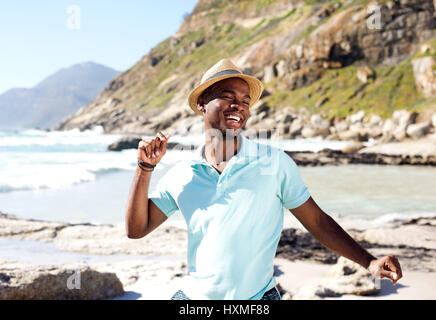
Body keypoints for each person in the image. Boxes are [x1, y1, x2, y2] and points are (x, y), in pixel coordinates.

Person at [125, 58, 402, 300]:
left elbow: (316, 221)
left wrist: (370, 261)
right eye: (227, 95)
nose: (239, 105)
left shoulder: (274, 163)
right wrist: (144, 168)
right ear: (202, 103)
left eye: (246, 100)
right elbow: (137, 229)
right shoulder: (183, 175)